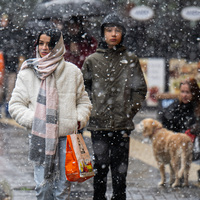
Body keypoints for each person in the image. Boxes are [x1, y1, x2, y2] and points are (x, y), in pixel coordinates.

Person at [9, 28, 92, 200]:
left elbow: (84, 102)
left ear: (59, 46)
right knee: (43, 187)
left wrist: (77, 120)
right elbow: (15, 105)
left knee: (63, 188)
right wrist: (36, 120)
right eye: (41, 43)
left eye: (50, 44)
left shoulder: (72, 72)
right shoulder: (28, 72)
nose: (44, 48)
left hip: (67, 138)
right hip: (41, 137)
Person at [82, 13, 147, 200]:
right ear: (102, 34)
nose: (113, 34)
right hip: (98, 124)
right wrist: (92, 108)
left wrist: (129, 110)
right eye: (109, 30)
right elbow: (83, 88)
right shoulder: (92, 61)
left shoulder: (130, 59)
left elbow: (140, 89)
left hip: (122, 125)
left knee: (120, 170)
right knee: (100, 166)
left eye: (117, 30)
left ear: (123, 33)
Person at [160, 77, 200, 184]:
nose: (184, 95)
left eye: (188, 92)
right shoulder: (176, 106)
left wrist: (192, 130)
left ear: (194, 93)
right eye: (182, 92)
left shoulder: (197, 106)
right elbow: (165, 117)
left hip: (194, 142)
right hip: (180, 143)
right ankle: (178, 173)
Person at [0, 13, 22, 118]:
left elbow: (17, 48)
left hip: (11, 66)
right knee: (2, 90)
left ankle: (8, 110)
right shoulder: (2, 33)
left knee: (9, 89)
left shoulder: (13, 34)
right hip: (2, 66)